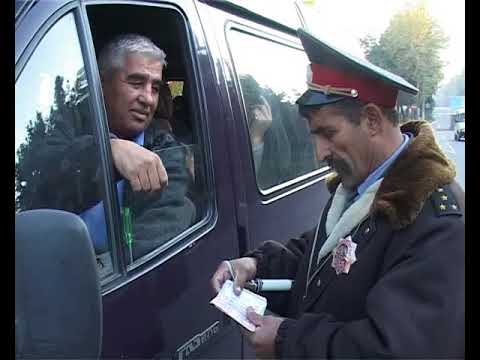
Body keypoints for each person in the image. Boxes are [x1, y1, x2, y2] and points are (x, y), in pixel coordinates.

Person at [210, 28, 464, 358]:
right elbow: (324, 255)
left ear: (372, 119)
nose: (319, 152)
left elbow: (398, 349)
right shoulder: (360, 183)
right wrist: (255, 265)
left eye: (328, 133)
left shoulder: (435, 219)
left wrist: (287, 340)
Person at [29, 34, 195, 259]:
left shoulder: (166, 150)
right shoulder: (62, 123)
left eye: (155, 88)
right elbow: (36, 177)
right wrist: (106, 151)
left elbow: (157, 231)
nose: (148, 99)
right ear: (100, 83)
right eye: (136, 83)